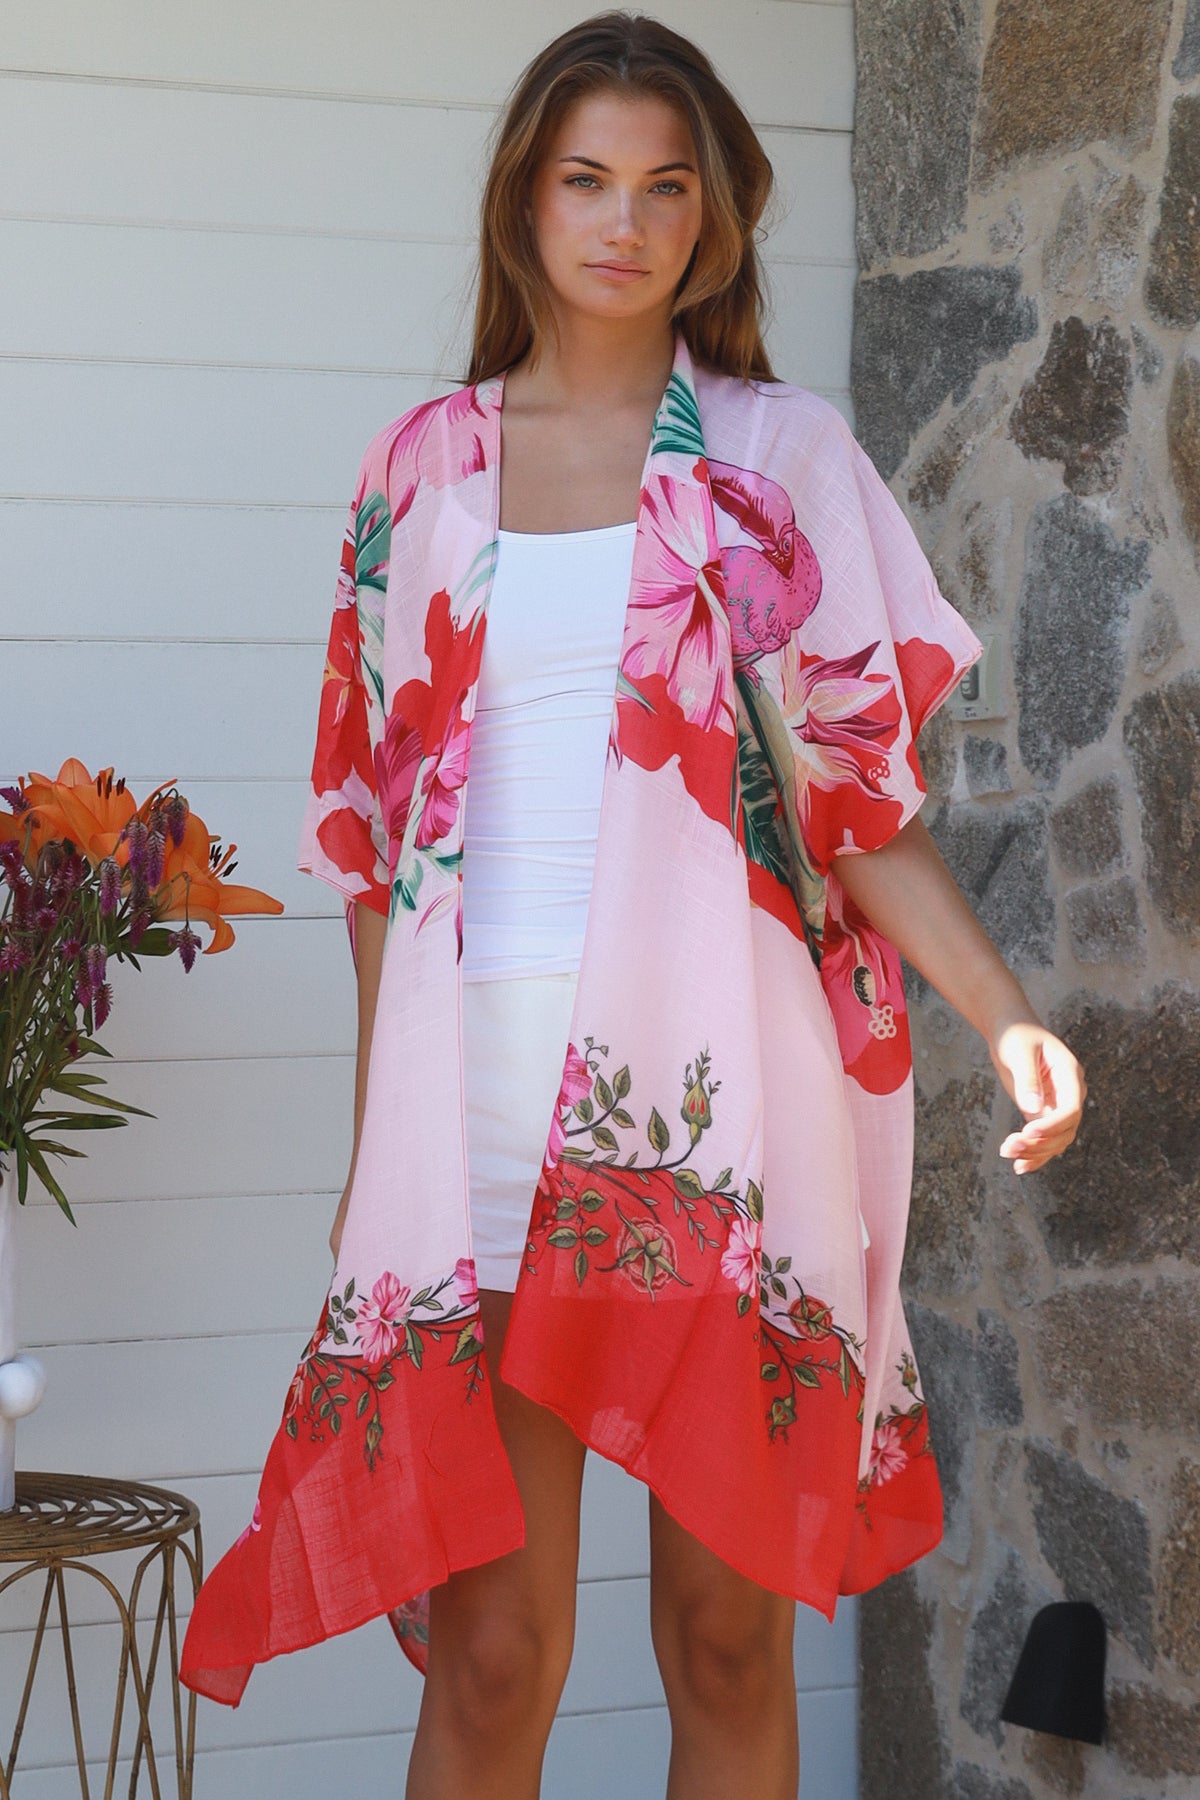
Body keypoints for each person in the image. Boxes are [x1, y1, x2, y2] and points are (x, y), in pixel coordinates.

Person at [180, 15, 1086, 1799]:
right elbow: (371, 859)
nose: (626, 222)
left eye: (667, 188)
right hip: (479, 1128)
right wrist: (375, 1160)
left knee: (727, 1637)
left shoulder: (778, 461)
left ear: (713, 217)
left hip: (718, 1128)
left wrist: (1009, 1016)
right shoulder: (417, 473)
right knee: (494, 1656)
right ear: (525, 201)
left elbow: (860, 806)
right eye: (586, 179)